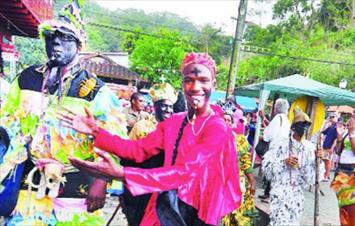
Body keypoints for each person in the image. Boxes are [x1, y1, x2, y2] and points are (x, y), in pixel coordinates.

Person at [59, 52, 241, 225]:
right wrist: (97, 132)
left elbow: (185, 173)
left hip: (197, 212)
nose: (195, 87)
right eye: (189, 80)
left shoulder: (217, 128)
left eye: (203, 80)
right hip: (165, 205)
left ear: (213, 84)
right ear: (182, 84)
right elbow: (137, 150)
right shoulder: (175, 122)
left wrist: (121, 174)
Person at [0, 1, 127, 224]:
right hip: (29, 183)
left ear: (79, 44)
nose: (56, 42)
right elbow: (6, 122)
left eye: (65, 37)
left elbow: (116, 139)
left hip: (75, 185)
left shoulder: (95, 90)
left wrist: (101, 181)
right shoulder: (27, 78)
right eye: (50, 36)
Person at [120, 83, 178, 226]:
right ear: (155, 107)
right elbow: (129, 155)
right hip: (143, 184)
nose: (168, 110)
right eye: (164, 106)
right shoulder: (142, 126)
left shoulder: (177, 129)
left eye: (170, 107)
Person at [262, 107, 323, 226]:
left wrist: (317, 162)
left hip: (297, 196)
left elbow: (312, 179)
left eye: (307, 125)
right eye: (301, 124)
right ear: (293, 127)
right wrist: (284, 162)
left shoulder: (309, 148)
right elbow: (267, 169)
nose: (304, 128)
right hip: (280, 192)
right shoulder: (280, 143)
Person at [222, 112, 257, 226]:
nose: (226, 122)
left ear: (232, 124)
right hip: (220, 185)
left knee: (238, 219)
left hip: (238, 185)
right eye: (223, 119)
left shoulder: (240, 140)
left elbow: (246, 163)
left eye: (229, 120)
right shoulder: (213, 139)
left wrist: (252, 181)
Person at [257, 98, 291, 201]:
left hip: (275, 148)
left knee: (271, 170)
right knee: (274, 171)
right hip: (282, 148)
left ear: (276, 108)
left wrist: (262, 137)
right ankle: (268, 193)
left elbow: (269, 134)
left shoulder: (278, 118)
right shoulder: (285, 119)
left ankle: (269, 194)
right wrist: (263, 119)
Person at [321, 112, 339, 181]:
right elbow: (323, 132)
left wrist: (332, 148)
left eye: (333, 117)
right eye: (330, 117)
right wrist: (325, 123)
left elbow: (336, 138)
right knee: (325, 161)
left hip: (330, 147)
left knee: (328, 161)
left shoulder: (336, 127)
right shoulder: (330, 126)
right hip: (326, 145)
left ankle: (326, 176)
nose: (331, 118)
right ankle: (326, 175)